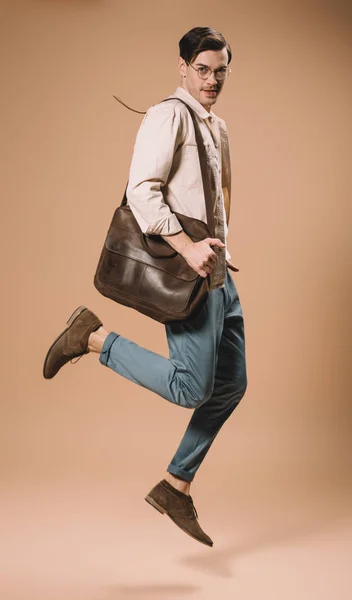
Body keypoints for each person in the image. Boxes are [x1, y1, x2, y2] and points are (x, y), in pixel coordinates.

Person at [43, 26, 247, 548]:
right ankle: (92, 338)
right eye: (202, 69)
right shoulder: (168, 115)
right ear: (182, 67)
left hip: (218, 271)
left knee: (230, 385)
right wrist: (188, 248)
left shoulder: (217, 127)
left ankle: (175, 486)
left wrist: (220, 245)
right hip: (191, 272)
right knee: (192, 387)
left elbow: (211, 201)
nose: (212, 79)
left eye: (220, 70)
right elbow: (141, 193)